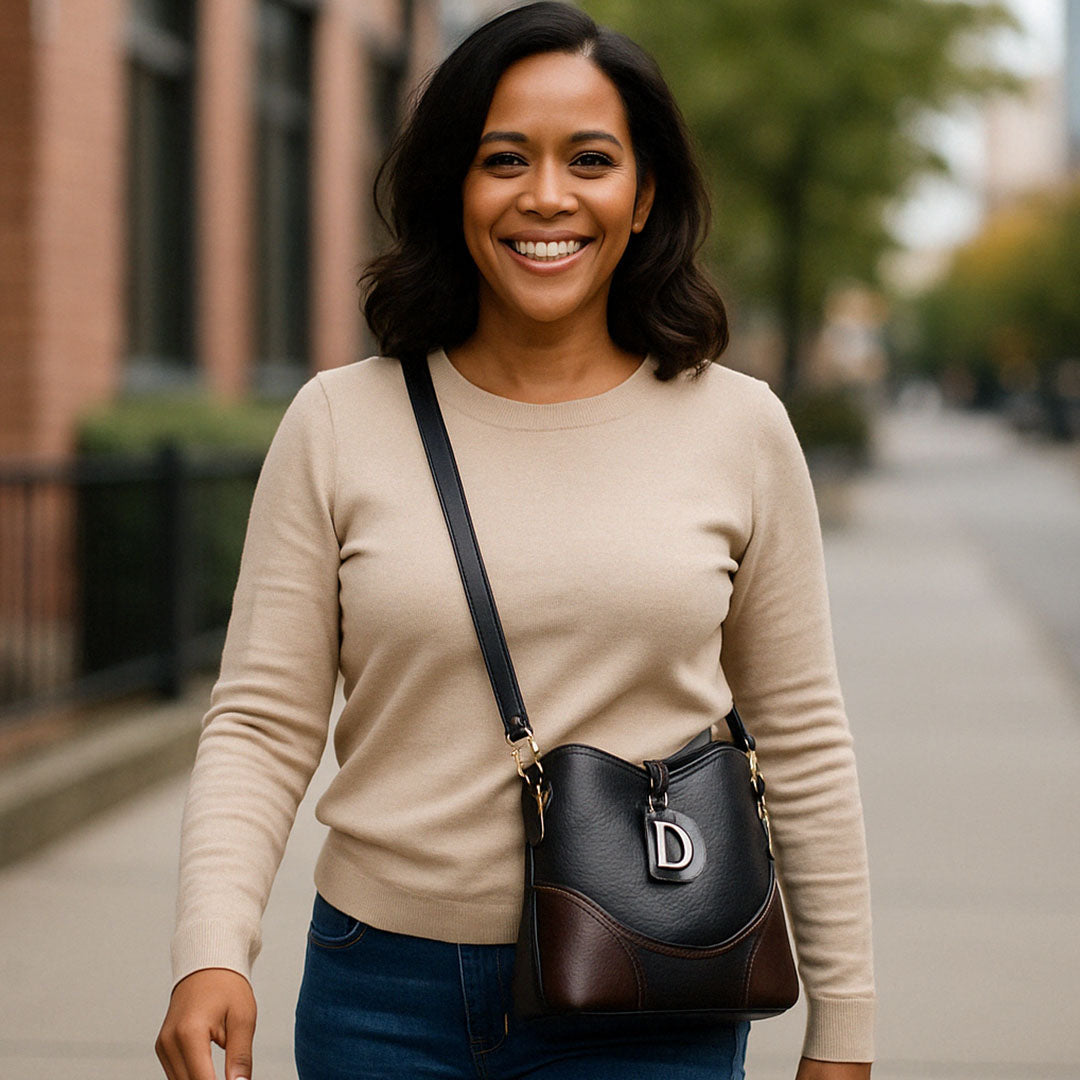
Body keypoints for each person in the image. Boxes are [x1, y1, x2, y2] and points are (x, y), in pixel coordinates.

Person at [155, 4, 875, 1078]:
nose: (546, 196)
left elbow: (804, 740)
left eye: (591, 159)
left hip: (652, 987)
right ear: (456, 188)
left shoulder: (739, 427)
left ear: (644, 199)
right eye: (504, 159)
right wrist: (211, 949)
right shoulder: (340, 422)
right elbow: (261, 723)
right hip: (380, 995)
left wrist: (847, 1025)